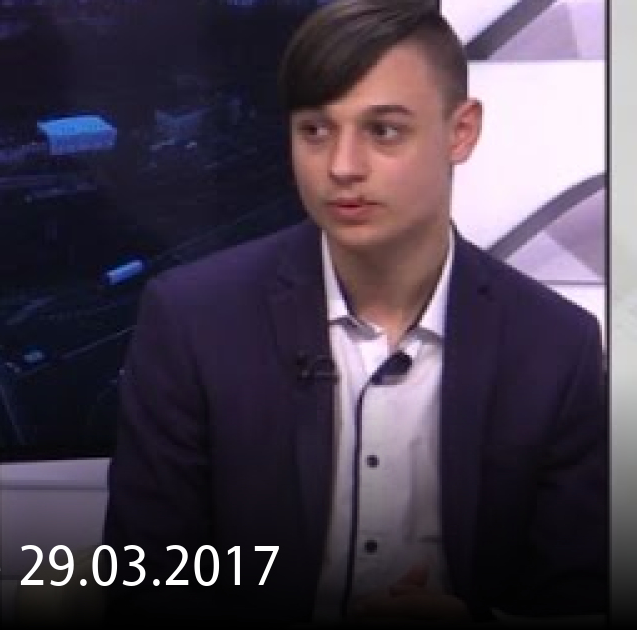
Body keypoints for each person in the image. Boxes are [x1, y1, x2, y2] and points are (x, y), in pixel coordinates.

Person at [103, 0, 607, 624]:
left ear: (461, 132)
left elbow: (574, 604)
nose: (342, 167)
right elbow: (145, 588)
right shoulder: (192, 320)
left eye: (383, 131)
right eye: (315, 131)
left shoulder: (556, 346)